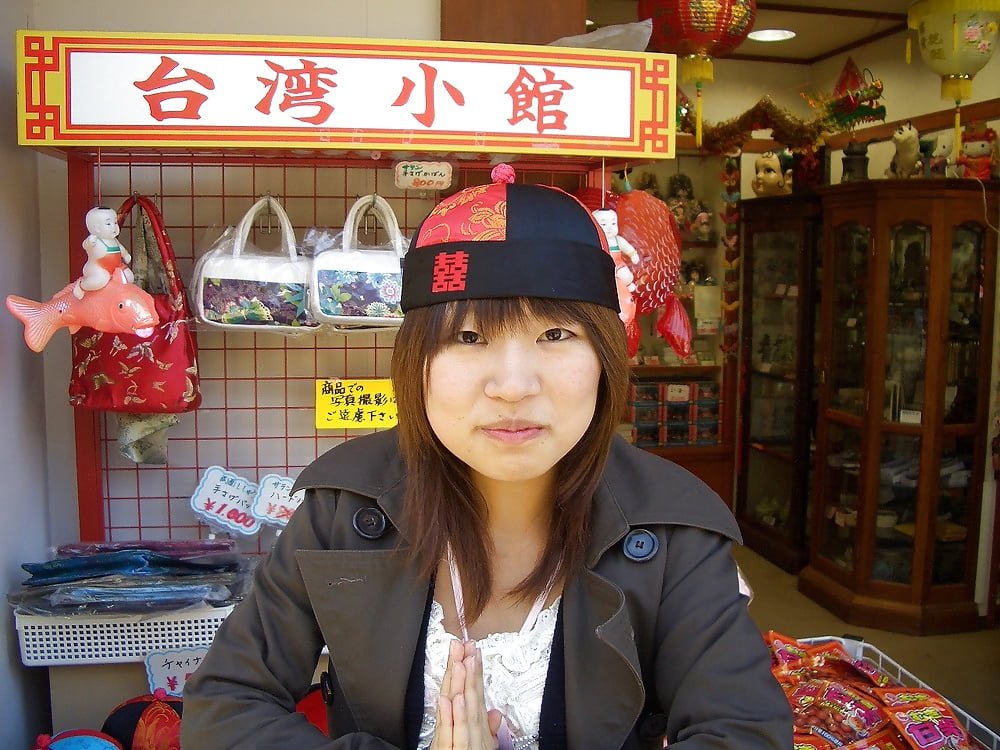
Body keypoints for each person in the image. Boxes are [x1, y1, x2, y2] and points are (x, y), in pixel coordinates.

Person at [181, 165, 793, 749]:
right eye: (468, 337)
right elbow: (227, 706)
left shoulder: (672, 527)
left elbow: (745, 733)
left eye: (556, 335)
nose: (512, 386)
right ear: (416, 363)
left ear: (605, 360)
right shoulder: (344, 505)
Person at [73, 206, 134, 299]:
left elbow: (121, 249)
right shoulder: (95, 241)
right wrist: (90, 242)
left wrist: (125, 255)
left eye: (115, 223)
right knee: (100, 280)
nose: (114, 227)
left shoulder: (114, 240)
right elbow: (85, 246)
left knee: (129, 277)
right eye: (108, 224)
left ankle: (114, 291)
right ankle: (81, 286)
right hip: (98, 267)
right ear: (96, 228)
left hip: (117, 266)